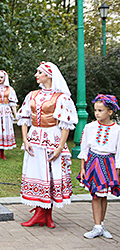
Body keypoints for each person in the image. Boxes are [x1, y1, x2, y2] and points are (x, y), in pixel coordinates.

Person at [16, 61, 78, 228]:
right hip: (35, 135)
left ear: (49, 75)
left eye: (39, 72)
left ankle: (47, 214)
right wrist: (25, 139)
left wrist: (60, 148)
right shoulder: (32, 95)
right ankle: (39, 212)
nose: (36, 75)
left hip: (53, 136)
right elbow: (24, 118)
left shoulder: (61, 97)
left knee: (52, 173)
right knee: (37, 171)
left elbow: (65, 124)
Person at [77, 94, 120, 239]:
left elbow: (119, 153)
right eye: (95, 110)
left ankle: (101, 225)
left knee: (103, 195)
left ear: (110, 112)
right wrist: (83, 168)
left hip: (108, 163)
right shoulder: (90, 127)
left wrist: (117, 172)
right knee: (96, 195)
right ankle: (96, 226)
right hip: (93, 162)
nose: (97, 113)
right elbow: (84, 149)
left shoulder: (117, 130)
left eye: (100, 110)